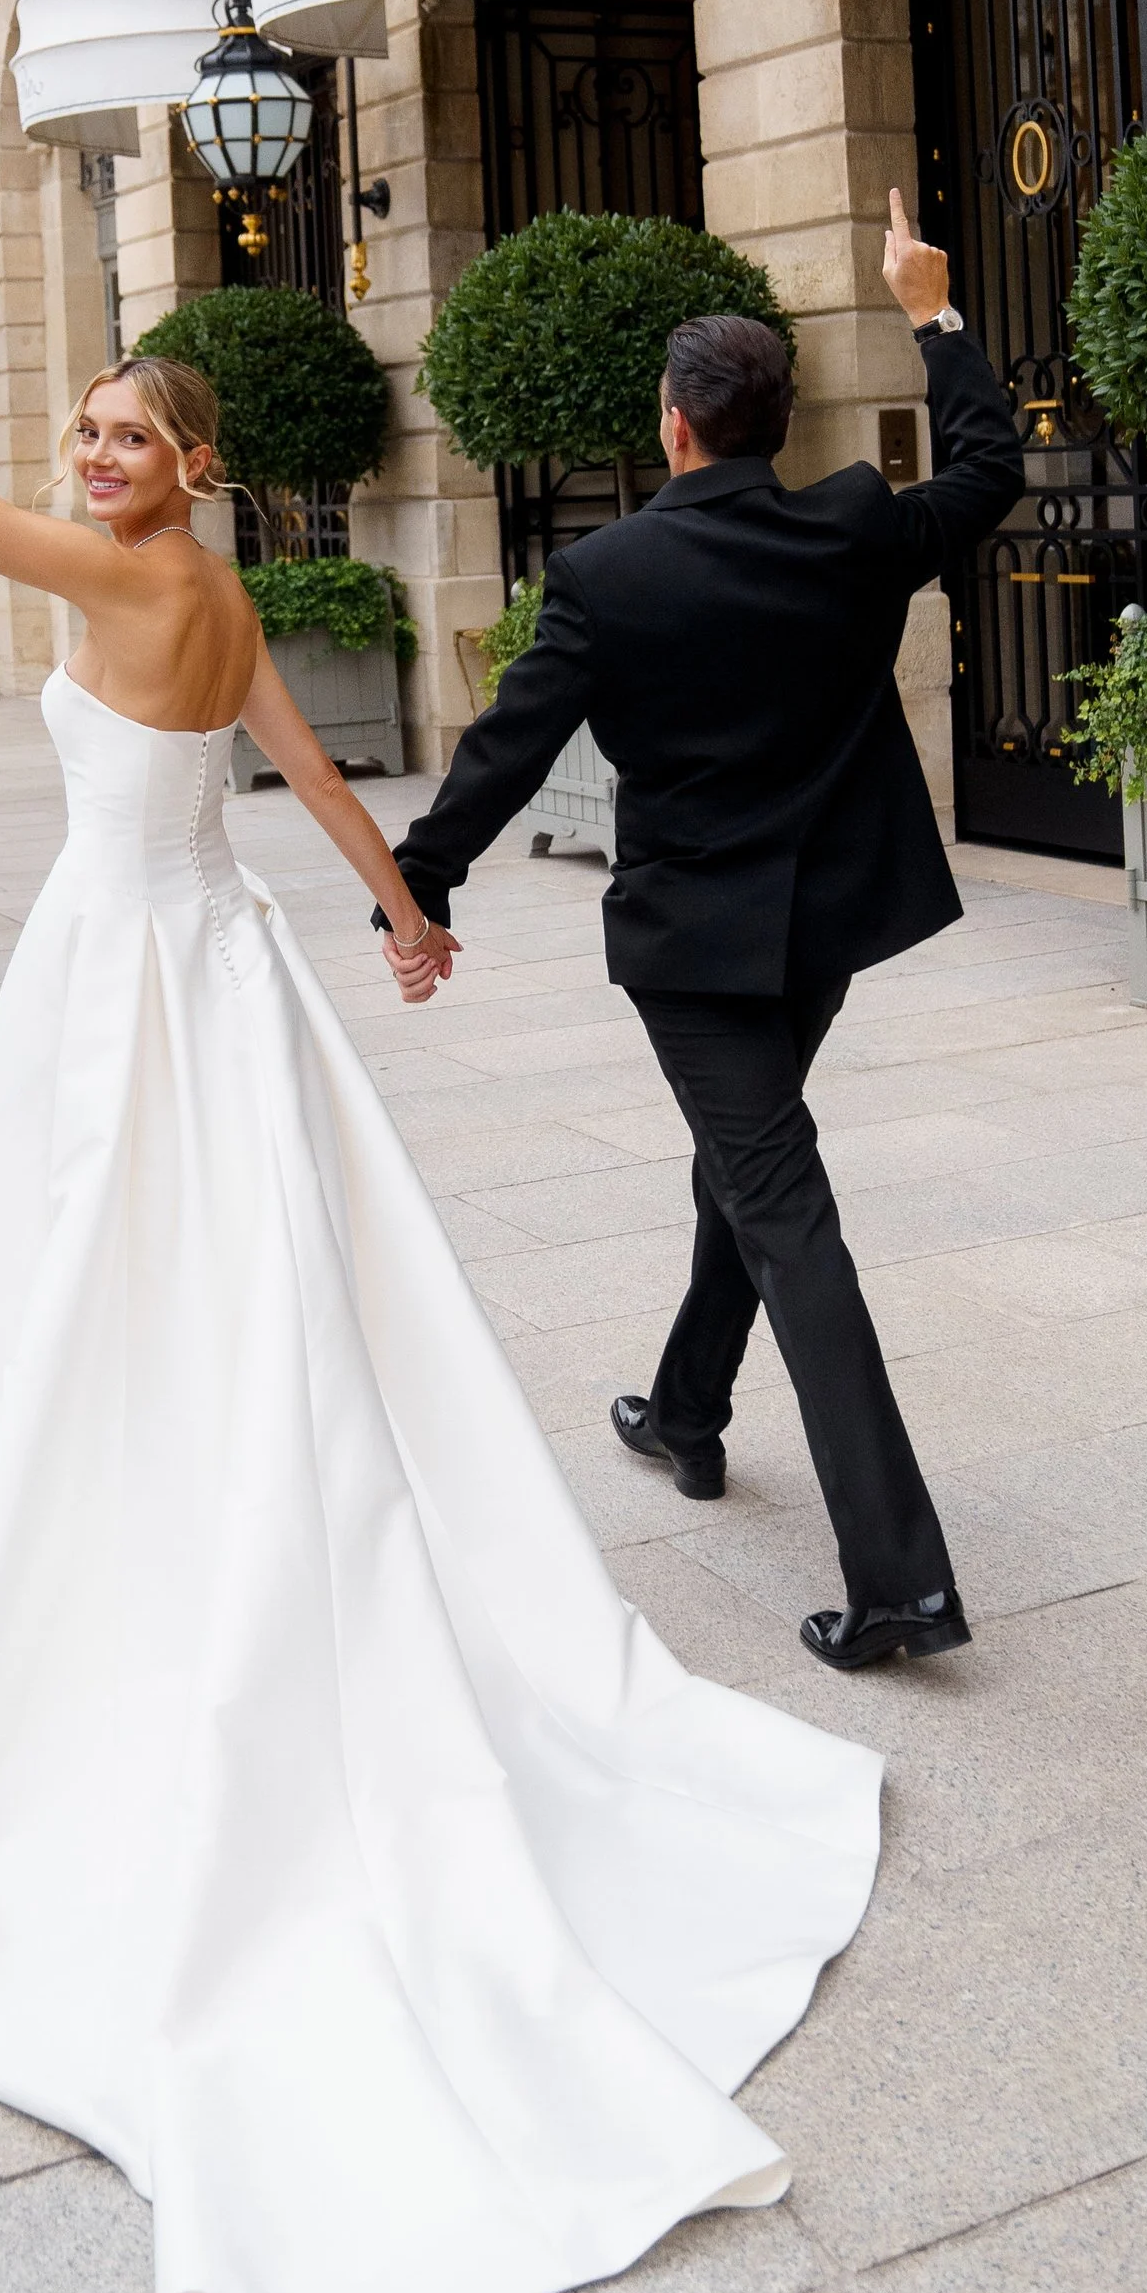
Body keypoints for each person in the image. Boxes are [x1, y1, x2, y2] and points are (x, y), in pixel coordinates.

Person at [0, 256, 884, 2293]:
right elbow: (311, 778)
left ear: (190, 468)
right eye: (84, 433)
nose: (89, 456)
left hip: (132, 978)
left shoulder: (113, 577)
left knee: (130, 1285)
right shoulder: (212, 597)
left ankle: (142, 1595)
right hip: (200, 967)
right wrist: (402, 908)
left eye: (126, 436)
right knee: (211, 1288)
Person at [383, 192, 1026, 1672]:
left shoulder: (608, 578)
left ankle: (902, 1587)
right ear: (769, 425)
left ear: (675, 427)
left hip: (696, 950)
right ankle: (685, 1413)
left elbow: (506, 747)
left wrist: (423, 882)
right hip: (821, 931)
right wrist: (929, 309)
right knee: (745, 1168)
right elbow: (990, 465)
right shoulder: (855, 529)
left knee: (781, 1205)